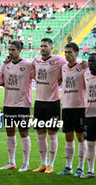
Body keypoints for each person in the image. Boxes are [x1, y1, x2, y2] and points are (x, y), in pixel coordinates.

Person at [32, 38, 67, 174]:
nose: (42, 48)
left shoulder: (59, 60)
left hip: (53, 102)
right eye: (41, 46)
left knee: (52, 135)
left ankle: (51, 164)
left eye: (45, 46)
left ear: (51, 48)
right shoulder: (36, 60)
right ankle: (43, 163)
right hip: (39, 102)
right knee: (40, 135)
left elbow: (69, 68)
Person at [0, 40, 34, 172]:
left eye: (13, 49)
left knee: (24, 133)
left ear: (20, 50)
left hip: (22, 105)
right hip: (8, 104)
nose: (11, 52)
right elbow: (0, 78)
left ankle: (26, 163)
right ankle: (11, 162)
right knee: (9, 132)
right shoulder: (6, 65)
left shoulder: (28, 65)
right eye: (9, 49)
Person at [57, 42, 87, 177]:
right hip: (67, 107)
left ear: (77, 53)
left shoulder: (83, 67)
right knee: (68, 137)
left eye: (70, 52)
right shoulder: (63, 67)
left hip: (80, 107)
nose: (67, 54)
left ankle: (80, 167)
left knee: (80, 137)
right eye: (66, 52)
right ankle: (68, 167)